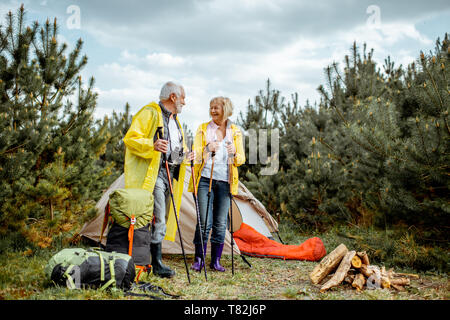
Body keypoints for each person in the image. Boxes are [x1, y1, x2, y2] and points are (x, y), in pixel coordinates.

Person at [123, 81, 193, 278]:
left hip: (171, 173)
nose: (184, 103)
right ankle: (156, 262)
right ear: (173, 97)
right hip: (155, 173)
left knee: (162, 217)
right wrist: (151, 145)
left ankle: (151, 259)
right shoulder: (150, 112)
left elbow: (176, 150)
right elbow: (130, 138)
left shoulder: (175, 120)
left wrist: (187, 155)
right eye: (183, 98)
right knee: (158, 216)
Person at [188, 96, 245, 272]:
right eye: (211, 108)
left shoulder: (235, 131)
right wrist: (206, 149)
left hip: (226, 183)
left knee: (220, 223)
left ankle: (216, 261)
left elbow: (241, 159)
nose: (212, 111)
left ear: (225, 109)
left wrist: (235, 153)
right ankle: (199, 260)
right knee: (204, 222)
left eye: (216, 108)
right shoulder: (203, 129)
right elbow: (194, 154)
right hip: (205, 180)